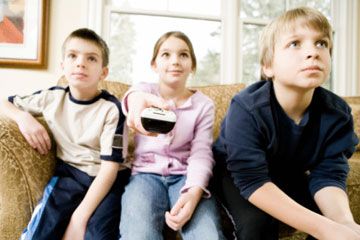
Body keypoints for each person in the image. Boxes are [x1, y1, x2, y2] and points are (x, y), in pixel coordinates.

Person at [212, 6, 360, 240]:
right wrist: (323, 229)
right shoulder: (247, 107)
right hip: (234, 175)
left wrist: (343, 223)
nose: (313, 52)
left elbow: (329, 174)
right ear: (268, 66)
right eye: (295, 43)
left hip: (288, 172)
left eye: (321, 43)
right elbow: (251, 178)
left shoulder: (338, 113)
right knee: (257, 225)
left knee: (333, 222)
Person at [0, 28, 130, 240]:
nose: (80, 63)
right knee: (39, 234)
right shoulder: (51, 98)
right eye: (72, 56)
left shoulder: (112, 109)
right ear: (63, 66)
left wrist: (79, 218)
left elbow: (109, 170)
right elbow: (5, 102)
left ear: (103, 73)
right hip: (69, 175)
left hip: (107, 179)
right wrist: (23, 118)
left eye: (91, 58)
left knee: (98, 235)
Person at [119, 31, 225, 240]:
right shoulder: (143, 91)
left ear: (192, 66)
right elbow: (132, 98)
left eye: (183, 55)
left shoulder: (204, 105)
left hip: (187, 176)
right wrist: (137, 102)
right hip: (144, 176)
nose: (175, 61)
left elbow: (202, 153)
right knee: (138, 236)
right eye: (166, 55)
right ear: (154, 64)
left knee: (208, 235)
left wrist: (194, 192)